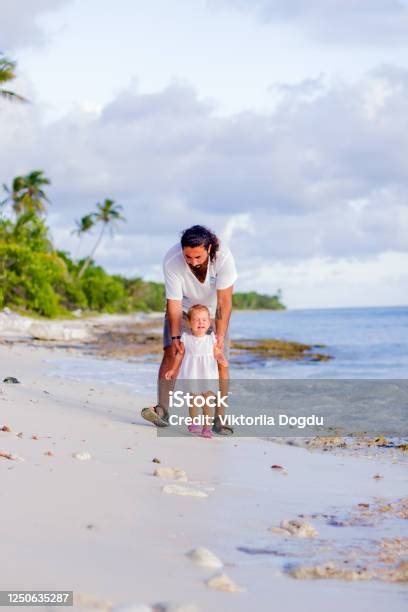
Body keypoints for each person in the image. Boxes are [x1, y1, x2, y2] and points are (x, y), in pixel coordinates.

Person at [141, 224, 237, 434]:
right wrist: (175, 337)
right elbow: (173, 305)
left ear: (209, 249)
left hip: (213, 313)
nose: (193, 262)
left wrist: (219, 337)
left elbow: (224, 303)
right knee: (171, 353)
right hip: (184, 310)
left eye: (198, 257)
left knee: (221, 361)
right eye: (188, 257)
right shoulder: (172, 259)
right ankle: (162, 410)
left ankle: (219, 418)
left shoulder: (224, 258)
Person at [164, 304, 228, 438]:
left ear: (209, 322)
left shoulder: (211, 338)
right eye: (197, 320)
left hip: (209, 374)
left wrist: (221, 358)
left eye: (204, 320)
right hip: (192, 374)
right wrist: (173, 369)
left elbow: (217, 352)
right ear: (189, 323)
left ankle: (207, 428)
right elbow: (179, 355)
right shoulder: (186, 338)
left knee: (208, 402)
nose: (201, 323)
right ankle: (194, 422)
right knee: (194, 401)